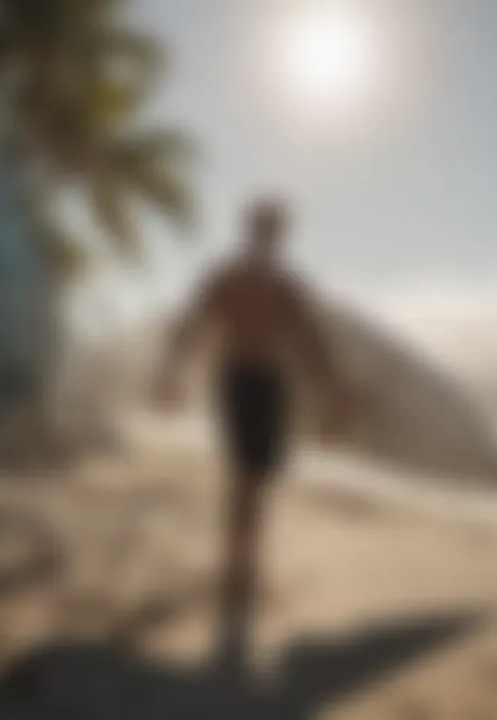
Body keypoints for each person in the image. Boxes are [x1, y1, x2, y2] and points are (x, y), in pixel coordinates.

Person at [151, 198, 348, 675]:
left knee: (247, 476)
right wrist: (333, 391)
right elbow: (310, 341)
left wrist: (170, 371)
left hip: (237, 379)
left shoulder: (228, 276)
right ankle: (240, 575)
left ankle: (240, 569)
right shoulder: (280, 283)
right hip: (258, 381)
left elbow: (189, 324)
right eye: (274, 230)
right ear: (277, 234)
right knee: (250, 478)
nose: (272, 237)